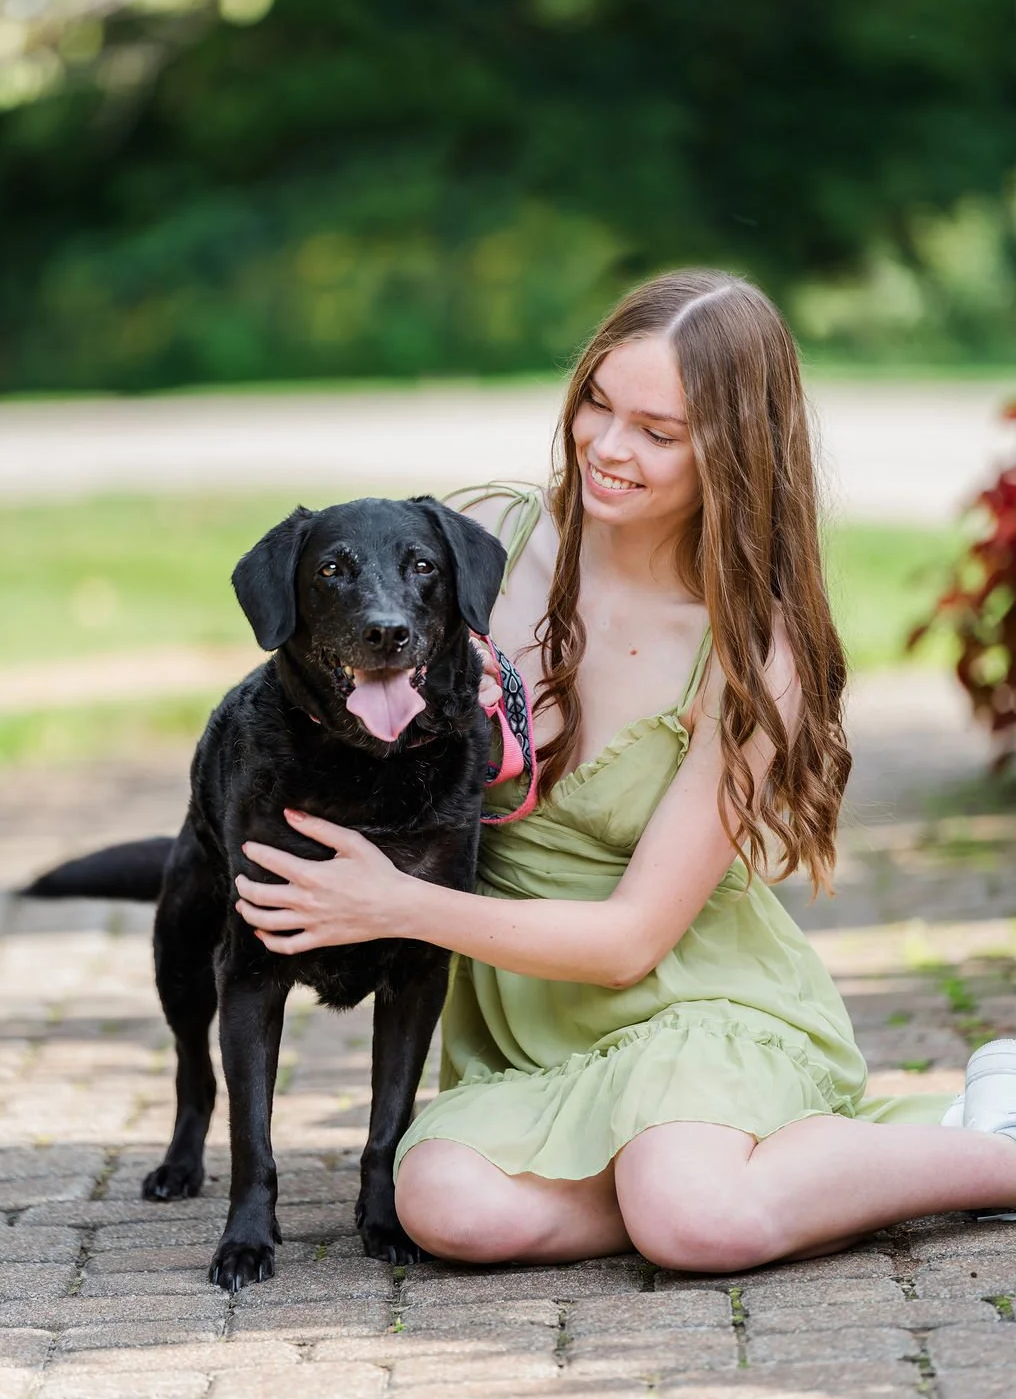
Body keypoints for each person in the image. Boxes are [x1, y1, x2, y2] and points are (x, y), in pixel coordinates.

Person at [233, 268, 1016, 1272]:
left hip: (696, 1000)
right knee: (445, 1208)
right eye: (597, 404)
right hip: (534, 1032)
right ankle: (752, 1168)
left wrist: (392, 905)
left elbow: (631, 941)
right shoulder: (484, 543)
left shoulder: (749, 650)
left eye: (658, 429)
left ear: (733, 450)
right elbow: (316, 655)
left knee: (695, 1222)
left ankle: (986, 1150)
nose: (607, 447)